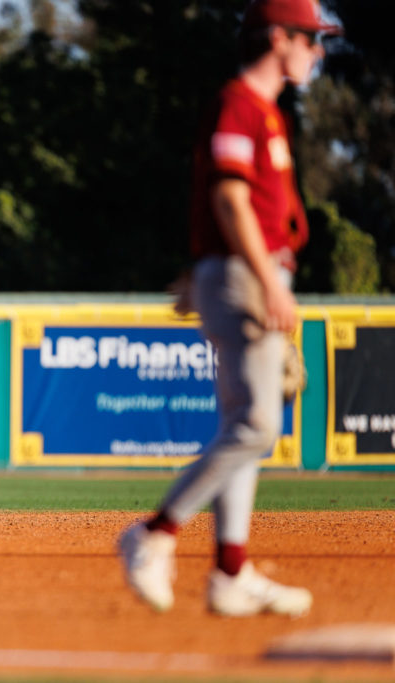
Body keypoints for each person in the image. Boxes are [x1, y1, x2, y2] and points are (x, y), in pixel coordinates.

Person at [119, 0, 337, 616]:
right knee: (256, 428)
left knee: (245, 428)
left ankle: (230, 574)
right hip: (249, 273)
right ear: (278, 37)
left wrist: (202, 267)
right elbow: (229, 198)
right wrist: (266, 280)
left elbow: (221, 200)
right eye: (310, 39)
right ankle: (155, 531)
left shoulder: (263, 111)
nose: (317, 51)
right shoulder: (242, 102)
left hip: (242, 269)